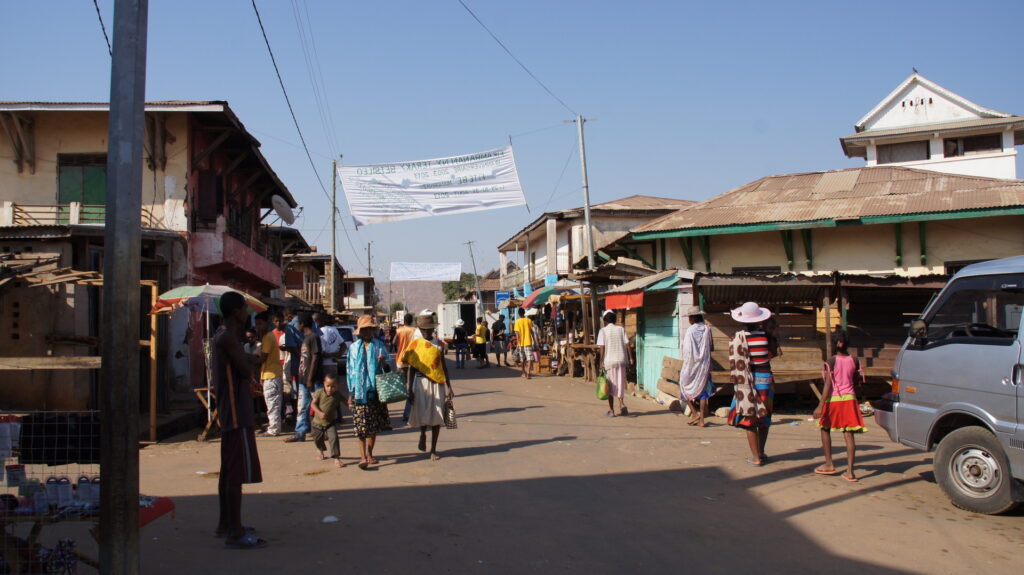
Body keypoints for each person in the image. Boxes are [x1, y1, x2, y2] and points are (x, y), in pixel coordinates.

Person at [212, 291, 266, 548]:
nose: (248, 313)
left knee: (227, 470)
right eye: (245, 308)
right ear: (236, 312)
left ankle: (226, 523)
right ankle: (235, 530)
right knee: (235, 472)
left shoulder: (224, 336)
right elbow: (245, 369)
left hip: (230, 409)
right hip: (235, 411)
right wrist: (254, 359)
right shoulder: (228, 338)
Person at [726, 301, 778, 467]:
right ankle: (761, 452)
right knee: (764, 418)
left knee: (749, 418)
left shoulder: (738, 338)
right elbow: (772, 355)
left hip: (748, 382)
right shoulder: (766, 337)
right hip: (767, 381)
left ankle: (755, 457)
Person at [814, 331, 867, 482]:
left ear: (835, 344)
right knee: (848, 434)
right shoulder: (855, 360)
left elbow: (828, 386)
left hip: (834, 400)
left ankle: (829, 463)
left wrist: (820, 405)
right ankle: (850, 472)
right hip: (850, 400)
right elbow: (857, 382)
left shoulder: (831, 361)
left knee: (825, 428)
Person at [403, 314, 455, 460]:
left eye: (430, 329)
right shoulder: (415, 345)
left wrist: (449, 387)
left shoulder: (439, 344)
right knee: (422, 413)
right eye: (425, 329)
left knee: (437, 416)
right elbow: (411, 369)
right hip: (420, 384)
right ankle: (422, 434)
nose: (427, 332)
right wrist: (410, 389)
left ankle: (433, 450)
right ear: (420, 329)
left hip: (437, 384)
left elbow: (443, 367)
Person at [346, 315, 392, 469]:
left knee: (372, 427)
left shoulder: (379, 346)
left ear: (373, 330)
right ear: (360, 332)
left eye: (369, 329)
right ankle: (362, 457)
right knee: (360, 428)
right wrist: (350, 394)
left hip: (374, 391)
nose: (366, 333)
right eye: (364, 330)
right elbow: (350, 371)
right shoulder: (353, 348)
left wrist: (383, 362)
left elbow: (388, 369)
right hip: (359, 392)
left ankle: (370, 454)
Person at [285, 314, 323, 443]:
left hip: (313, 380)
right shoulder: (306, 338)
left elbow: (315, 358)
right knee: (302, 406)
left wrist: (310, 378)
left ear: (302, 324)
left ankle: (323, 431)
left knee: (319, 405)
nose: (296, 326)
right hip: (303, 380)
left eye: (298, 324)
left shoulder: (313, 338)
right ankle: (300, 433)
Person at [678, 306, 716, 427]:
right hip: (704, 365)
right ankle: (702, 420)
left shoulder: (690, 331)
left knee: (684, 387)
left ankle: (695, 413)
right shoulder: (707, 329)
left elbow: (686, 350)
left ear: (693, 318)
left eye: (689, 317)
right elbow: (712, 347)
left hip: (691, 365)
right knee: (703, 392)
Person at [597, 310, 632, 417]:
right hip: (621, 360)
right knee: (620, 383)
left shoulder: (603, 331)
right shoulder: (621, 329)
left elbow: (602, 347)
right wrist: (631, 358)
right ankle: (621, 404)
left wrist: (601, 361)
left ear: (605, 320)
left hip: (609, 361)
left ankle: (612, 410)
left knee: (610, 385)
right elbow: (627, 344)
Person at [255, 312, 284, 437]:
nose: (257, 327)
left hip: (271, 374)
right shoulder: (268, 337)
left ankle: (273, 429)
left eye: (259, 324)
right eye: (256, 324)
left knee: (272, 403)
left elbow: (262, 358)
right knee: (273, 403)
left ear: (266, 323)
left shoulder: (267, 337)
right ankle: (274, 426)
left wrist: (250, 358)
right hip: (271, 374)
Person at [311, 372, 347, 468]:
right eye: (328, 386)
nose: (330, 389)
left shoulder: (337, 395)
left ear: (337, 386)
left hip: (330, 422)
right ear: (324, 384)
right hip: (317, 422)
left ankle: (336, 458)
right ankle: (320, 449)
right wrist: (319, 413)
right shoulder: (319, 392)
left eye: (333, 386)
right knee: (317, 438)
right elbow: (313, 404)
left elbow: (345, 402)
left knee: (334, 438)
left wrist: (350, 405)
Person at [514, 308, 535, 379]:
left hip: (521, 343)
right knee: (529, 358)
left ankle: (523, 373)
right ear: (524, 313)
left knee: (522, 359)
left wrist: (517, 343)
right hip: (528, 342)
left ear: (518, 314)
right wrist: (534, 340)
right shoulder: (529, 320)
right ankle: (528, 372)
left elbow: (517, 333)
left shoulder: (517, 322)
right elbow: (532, 332)